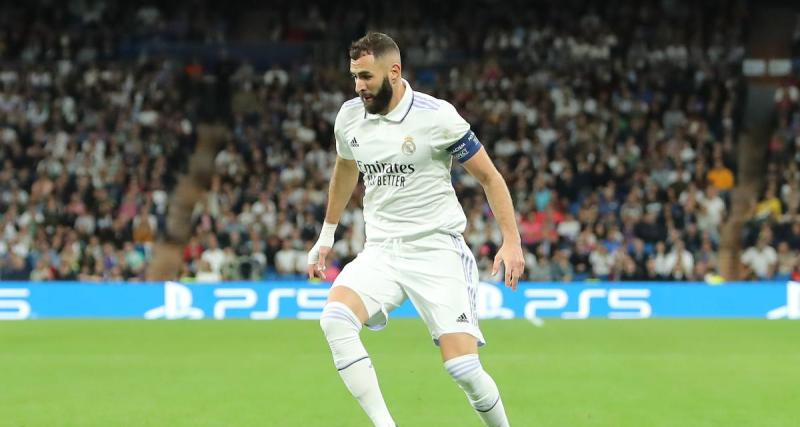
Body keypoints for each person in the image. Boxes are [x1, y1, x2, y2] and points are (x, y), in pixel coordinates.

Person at [307, 32, 524, 427]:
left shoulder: (436, 116)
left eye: (367, 77)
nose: (359, 87)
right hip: (382, 251)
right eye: (354, 76)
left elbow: (490, 178)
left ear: (394, 71)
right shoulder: (350, 117)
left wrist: (511, 242)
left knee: (463, 370)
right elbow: (345, 168)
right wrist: (326, 236)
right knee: (334, 319)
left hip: (436, 250)